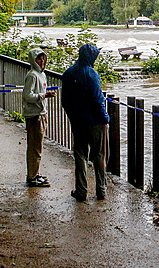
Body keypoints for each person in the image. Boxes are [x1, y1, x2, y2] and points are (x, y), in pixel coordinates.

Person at [61, 44, 110, 202]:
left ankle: (81, 191)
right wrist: (105, 118)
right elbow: (98, 100)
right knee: (99, 155)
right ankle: (101, 190)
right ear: (91, 57)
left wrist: (72, 116)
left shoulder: (68, 73)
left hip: (77, 122)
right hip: (95, 122)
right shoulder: (92, 74)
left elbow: (65, 101)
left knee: (80, 155)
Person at [22, 48, 55, 187]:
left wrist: (44, 95)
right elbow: (27, 96)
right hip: (34, 115)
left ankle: (35, 172)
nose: (41, 61)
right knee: (35, 147)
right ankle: (32, 176)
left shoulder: (42, 75)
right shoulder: (33, 76)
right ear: (33, 60)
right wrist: (44, 95)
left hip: (41, 113)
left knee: (38, 146)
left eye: (43, 58)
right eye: (38, 59)